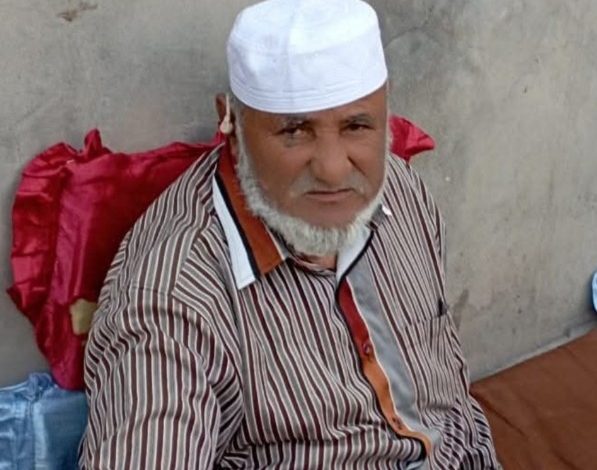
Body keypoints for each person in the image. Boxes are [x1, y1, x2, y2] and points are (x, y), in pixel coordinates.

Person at [82, 0, 500, 468]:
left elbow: (448, 396)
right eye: (295, 131)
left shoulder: (401, 192)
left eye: (356, 126)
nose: (333, 169)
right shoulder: (170, 306)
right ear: (232, 125)